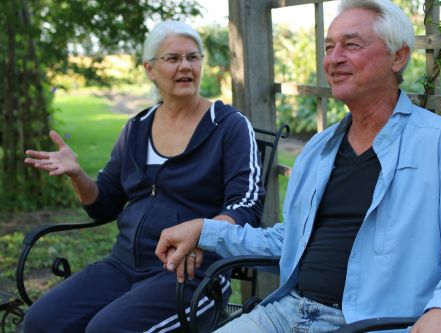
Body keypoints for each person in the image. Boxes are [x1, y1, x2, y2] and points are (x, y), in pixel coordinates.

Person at [155, 1, 441, 332]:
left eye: (351, 45)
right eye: (328, 47)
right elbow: (289, 240)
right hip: (284, 312)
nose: (333, 59)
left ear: (398, 56)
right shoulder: (320, 149)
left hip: (373, 323)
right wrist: (205, 230)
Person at [23, 20, 264, 333]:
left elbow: (246, 206)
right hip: (122, 265)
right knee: (41, 322)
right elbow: (104, 205)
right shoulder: (137, 127)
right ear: (150, 69)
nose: (185, 66)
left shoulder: (228, 126)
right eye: (173, 59)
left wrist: (203, 232)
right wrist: (77, 174)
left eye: (193, 57)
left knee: (106, 330)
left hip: (190, 274)